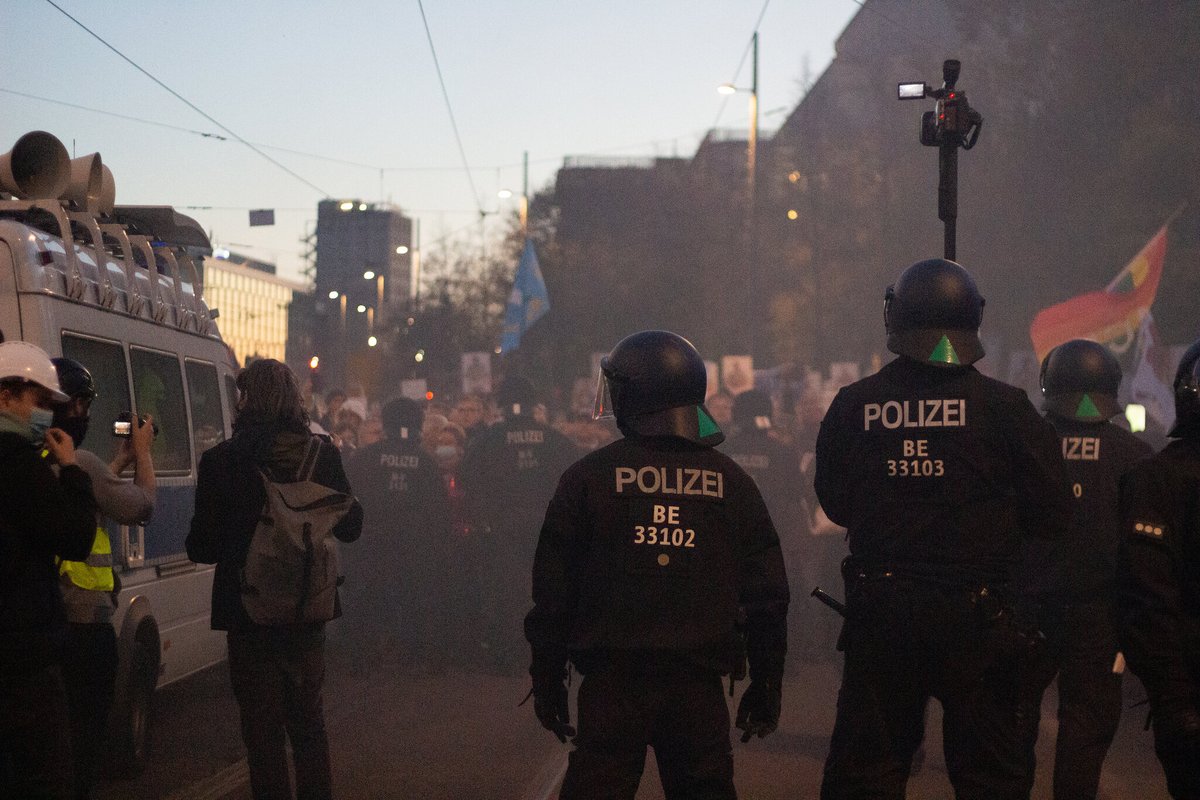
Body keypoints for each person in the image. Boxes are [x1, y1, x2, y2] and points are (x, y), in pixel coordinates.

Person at [814, 259, 1073, 800]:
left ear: (896, 316)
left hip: (883, 619)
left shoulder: (854, 404)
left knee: (866, 778)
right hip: (980, 623)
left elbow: (837, 505)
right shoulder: (1007, 409)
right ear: (972, 319)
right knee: (991, 781)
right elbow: (1052, 515)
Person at [525, 331, 790, 799]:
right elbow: (768, 594)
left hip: (612, 686)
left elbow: (552, 592)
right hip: (698, 689)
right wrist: (766, 683)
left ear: (636, 397)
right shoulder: (731, 481)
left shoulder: (587, 479)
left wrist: (547, 677)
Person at [186, 359, 362, 800]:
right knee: (308, 727)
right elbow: (352, 527)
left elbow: (202, 548)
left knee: (262, 738)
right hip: (308, 612)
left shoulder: (221, 461)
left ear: (245, 401)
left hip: (249, 616)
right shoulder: (322, 455)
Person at [1017, 340, 1152, 799]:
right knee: (1086, 730)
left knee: (1011, 722)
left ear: (1049, 383)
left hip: (1026, 610)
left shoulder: (1023, 443)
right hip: (1099, 617)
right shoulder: (1134, 455)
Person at [51, 357, 157, 800]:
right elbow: (143, 506)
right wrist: (144, 455)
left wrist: (116, 463)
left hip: (42, 626)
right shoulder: (83, 464)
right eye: (80, 405)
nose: (86, 414)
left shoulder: (31, 461)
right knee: (83, 748)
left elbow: (82, 495)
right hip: (83, 630)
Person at [0, 341, 97, 799]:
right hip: (24, 655)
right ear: (6, 396)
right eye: (38, 401)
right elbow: (75, 537)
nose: (45, 414)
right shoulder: (20, 466)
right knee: (47, 779)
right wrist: (73, 471)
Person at [1118, 338, 1200, 799]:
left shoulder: (1154, 477)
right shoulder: (1156, 478)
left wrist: (1173, 703)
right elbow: (1147, 602)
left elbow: (1145, 603)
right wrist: (1176, 704)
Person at [460, 375, 579, 670]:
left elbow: (466, 477)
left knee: (505, 591)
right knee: (549, 590)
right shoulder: (554, 439)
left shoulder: (488, 439)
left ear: (501, 403)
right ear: (533, 402)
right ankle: (550, 653)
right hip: (548, 526)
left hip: (502, 528)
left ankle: (509, 654)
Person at [343, 398, 449, 667]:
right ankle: (415, 658)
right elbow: (438, 510)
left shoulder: (363, 458)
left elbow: (347, 500)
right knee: (413, 602)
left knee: (367, 602)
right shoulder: (427, 462)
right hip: (414, 548)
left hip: (370, 545)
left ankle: (362, 658)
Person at [722, 389, 808, 671]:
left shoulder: (723, 451)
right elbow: (797, 496)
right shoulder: (782, 452)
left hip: (728, 539)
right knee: (776, 600)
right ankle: (785, 661)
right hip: (772, 539)